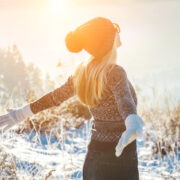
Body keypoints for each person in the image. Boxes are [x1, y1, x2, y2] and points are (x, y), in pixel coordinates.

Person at [0, 17, 144, 180]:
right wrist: (132, 122)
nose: (119, 33)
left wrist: (21, 114)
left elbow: (55, 97)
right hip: (121, 156)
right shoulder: (115, 72)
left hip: (95, 156)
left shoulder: (83, 73)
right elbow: (124, 100)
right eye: (115, 29)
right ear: (107, 40)